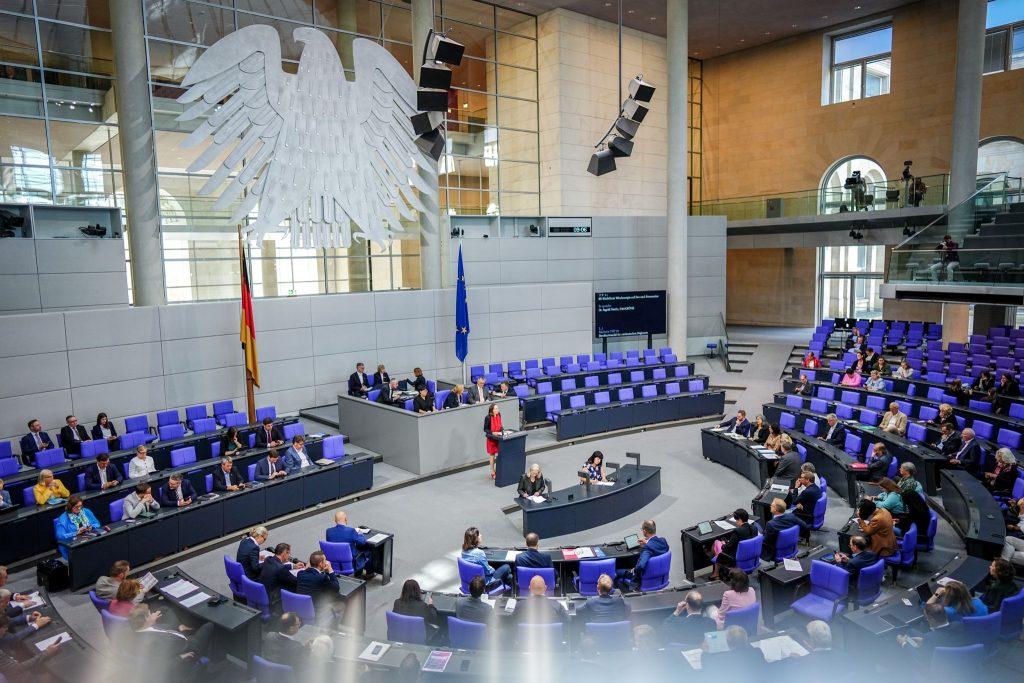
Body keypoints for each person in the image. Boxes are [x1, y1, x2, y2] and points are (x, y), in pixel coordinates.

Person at [127, 604, 214, 677]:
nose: (152, 614)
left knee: (164, 610)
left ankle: (181, 627)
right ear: (146, 618)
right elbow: (160, 666)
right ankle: (213, 660)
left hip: (172, 634)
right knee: (210, 625)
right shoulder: (152, 643)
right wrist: (180, 657)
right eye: (150, 614)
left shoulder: (138, 630)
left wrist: (152, 621)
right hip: (187, 646)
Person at [898, 602, 967, 657]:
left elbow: (920, 657)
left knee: (907, 635)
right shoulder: (959, 624)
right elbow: (943, 638)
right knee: (911, 631)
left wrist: (904, 643)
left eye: (927, 618)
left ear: (932, 619)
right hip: (959, 657)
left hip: (940, 665)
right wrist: (923, 640)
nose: (927, 620)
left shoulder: (930, 637)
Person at [616, 520, 668, 590]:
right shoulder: (663, 541)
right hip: (659, 577)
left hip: (644, 576)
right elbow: (659, 547)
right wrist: (647, 542)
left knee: (616, 572)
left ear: (644, 531)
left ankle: (629, 593)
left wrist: (633, 571)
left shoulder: (647, 548)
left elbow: (640, 566)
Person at [711, 509, 758, 577]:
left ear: (740, 519)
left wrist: (723, 545)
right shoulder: (754, 528)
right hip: (751, 557)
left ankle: (716, 574)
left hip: (735, 558)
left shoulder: (738, 531)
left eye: (736, 520)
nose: (736, 522)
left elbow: (728, 547)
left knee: (716, 543)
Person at [701, 625, 766, 675]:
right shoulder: (757, 652)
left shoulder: (717, 660)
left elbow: (706, 667)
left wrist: (705, 652)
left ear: (727, 643)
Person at [325, 510, 372, 576]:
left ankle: (358, 573)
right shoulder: (351, 531)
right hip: (351, 562)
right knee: (369, 552)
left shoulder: (329, 531)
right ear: (346, 519)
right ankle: (369, 574)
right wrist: (360, 533)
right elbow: (362, 542)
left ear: (335, 520)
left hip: (334, 563)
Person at [792, 471, 821, 538]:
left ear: (807, 480)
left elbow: (794, 501)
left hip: (807, 516)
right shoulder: (816, 487)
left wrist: (796, 487)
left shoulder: (807, 492)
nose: (799, 479)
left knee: (786, 515)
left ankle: (796, 536)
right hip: (811, 512)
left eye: (801, 477)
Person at [482, 404, 504, 478]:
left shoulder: (499, 415)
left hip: (499, 438)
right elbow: (485, 429)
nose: (497, 410)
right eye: (496, 409)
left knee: (500, 453)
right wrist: (492, 433)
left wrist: (501, 430)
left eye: (498, 408)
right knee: (492, 455)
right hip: (491, 439)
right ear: (492, 410)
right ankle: (492, 471)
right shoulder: (488, 417)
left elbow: (500, 425)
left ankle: (497, 470)